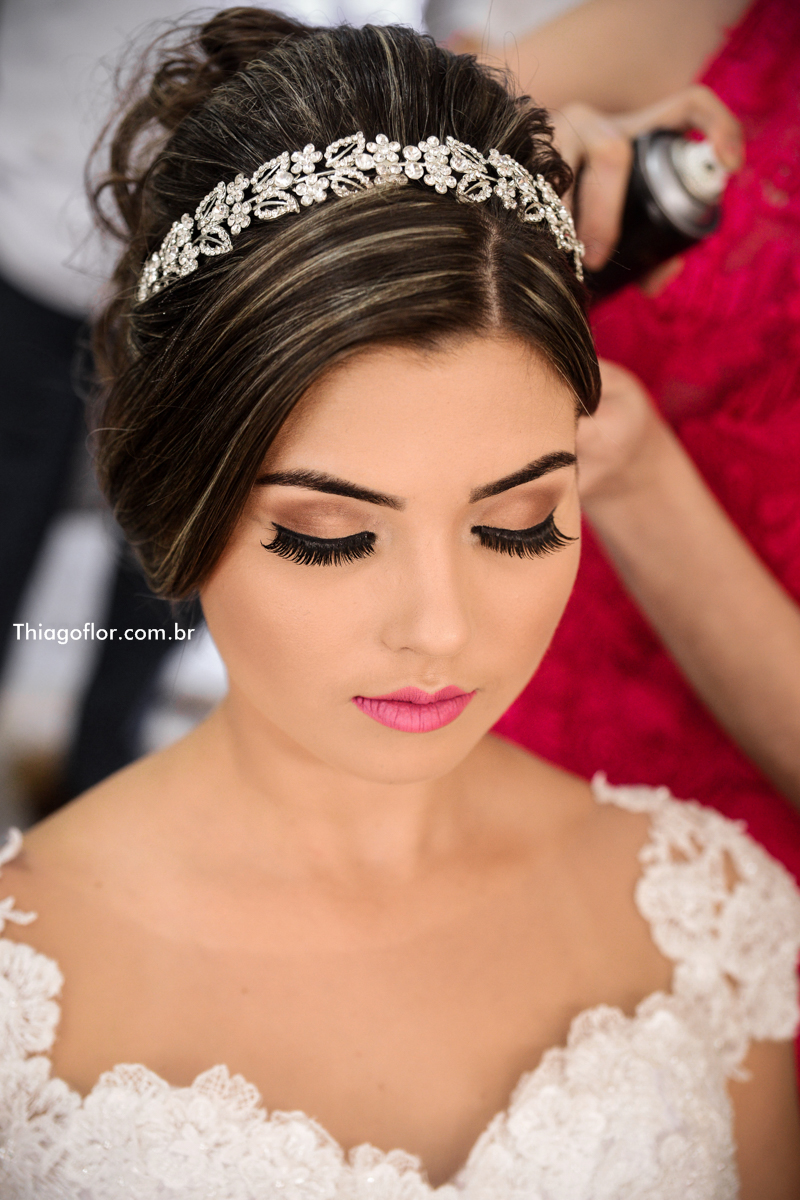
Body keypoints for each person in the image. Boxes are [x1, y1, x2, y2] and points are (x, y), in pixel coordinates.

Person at [0, 10, 798, 1196]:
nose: (441, 628)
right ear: (174, 490)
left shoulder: (714, 921)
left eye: (516, 524)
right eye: (328, 535)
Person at [432, 0, 800, 879]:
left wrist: (635, 479)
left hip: (712, 869)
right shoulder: (743, 26)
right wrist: (511, 174)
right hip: (459, 687)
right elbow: (333, 157)